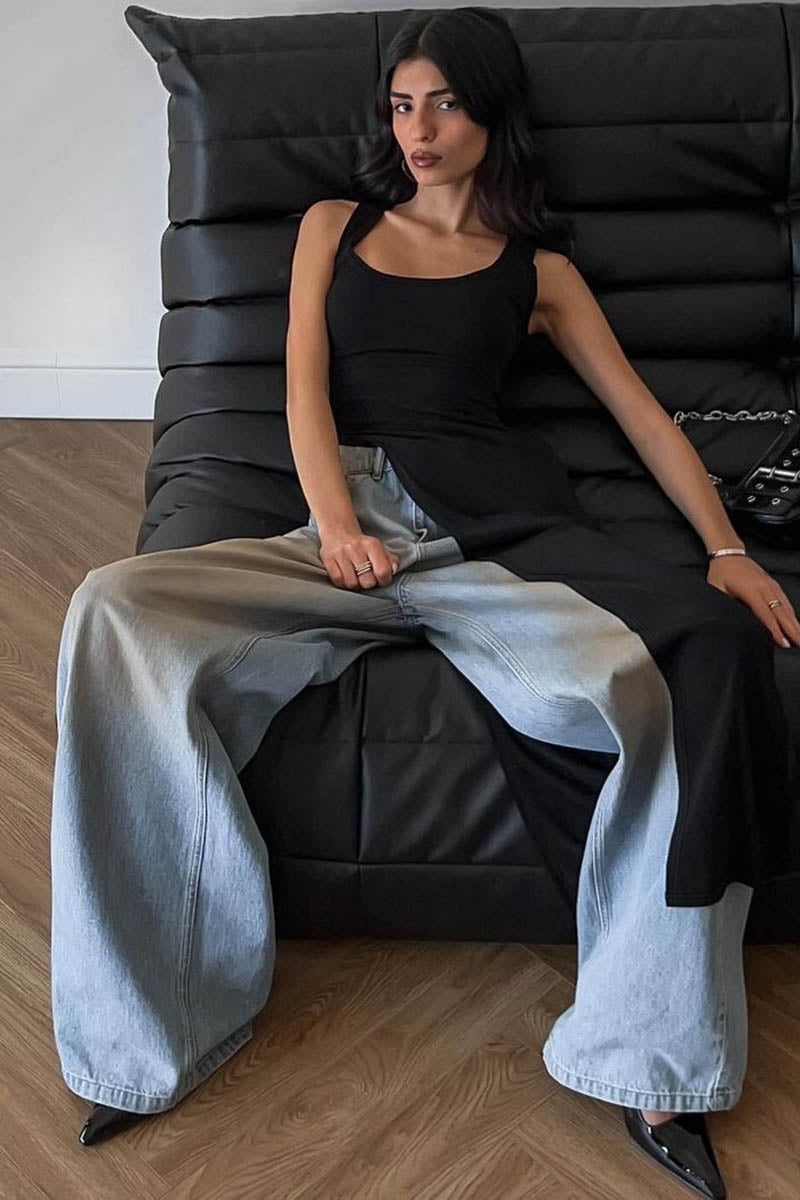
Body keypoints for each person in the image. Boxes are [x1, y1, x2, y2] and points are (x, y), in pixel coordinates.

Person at [52, 8, 798, 1191]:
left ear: (490, 112)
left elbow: (642, 418)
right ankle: (152, 1038)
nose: (419, 129)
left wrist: (723, 551)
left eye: (444, 103)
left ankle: (654, 1062)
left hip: (491, 541)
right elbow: (302, 385)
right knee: (112, 609)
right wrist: (338, 526)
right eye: (401, 106)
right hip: (336, 530)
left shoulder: (537, 271)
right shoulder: (333, 226)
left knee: (656, 685)